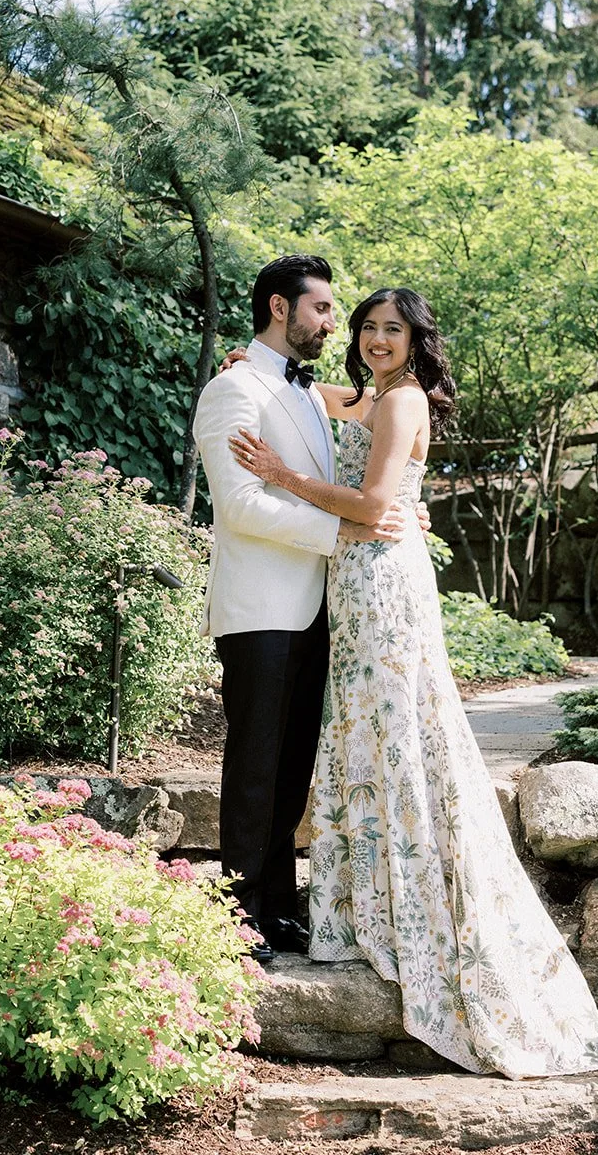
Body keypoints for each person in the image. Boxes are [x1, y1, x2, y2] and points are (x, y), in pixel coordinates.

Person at [228, 286, 598, 1079]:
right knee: (366, 727)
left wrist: (279, 473)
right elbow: (327, 396)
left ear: (417, 340)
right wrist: (259, 367)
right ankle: (360, 906)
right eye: (368, 328)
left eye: (393, 329)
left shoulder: (403, 401)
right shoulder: (376, 393)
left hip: (380, 580)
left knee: (396, 727)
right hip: (358, 575)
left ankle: (408, 908)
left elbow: (376, 502)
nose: (377, 339)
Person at [192, 255, 425, 965]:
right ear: (278, 308)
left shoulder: (305, 388)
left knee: (293, 770)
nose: (335, 322)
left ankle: (276, 908)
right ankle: (235, 916)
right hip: (260, 605)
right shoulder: (233, 391)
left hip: (321, 604)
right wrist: (342, 532)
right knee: (256, 765)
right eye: (323, 309)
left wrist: (393, 514)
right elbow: (239, 505)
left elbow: (364, 468)